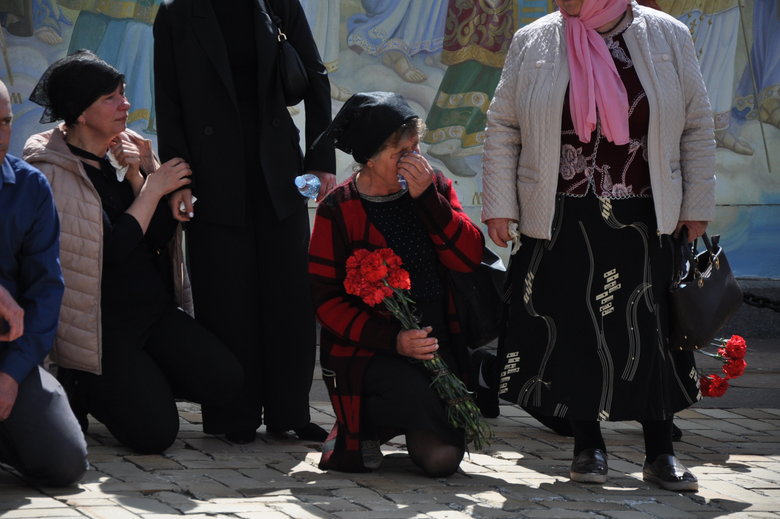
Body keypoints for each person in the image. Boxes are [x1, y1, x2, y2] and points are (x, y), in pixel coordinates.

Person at [482, 0, 715, 491]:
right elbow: (504, 124)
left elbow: (695, 124)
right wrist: (500, 204)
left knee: (648, 329)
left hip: (644, 211)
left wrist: (696, 202)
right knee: (571, 327)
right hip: (560, 209)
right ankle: (587, 447)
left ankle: (660, 452)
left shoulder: (667, 35)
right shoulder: (536, 38)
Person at [23, 51, 244, 454]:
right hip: (99, 328)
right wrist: (155, 188)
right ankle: (83, 385)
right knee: (154, 435)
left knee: (226, 382)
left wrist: (141, 174)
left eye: (122, 94)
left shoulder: (113, 159)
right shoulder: (50, 172)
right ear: (79, 112)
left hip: (149, 312)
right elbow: (110, 249)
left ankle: (141, 380)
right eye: (111, 98)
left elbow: (154, 236)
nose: (125, 104)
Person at [153, 0, 335, 444]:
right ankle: (233, 414)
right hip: (212, 176)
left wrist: (320, 160)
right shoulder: (178, 13)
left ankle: (289, 411)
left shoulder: (279, 4)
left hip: (278, 172)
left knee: (288, 296)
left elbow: (315, 77)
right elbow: (169, 98)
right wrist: (179, 179)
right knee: (226, 297)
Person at [309, 92, 491, 476]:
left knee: (442, 461)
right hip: (372, 348)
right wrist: (393, 341)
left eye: (417, 148)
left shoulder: (432, 186)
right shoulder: (338, 208)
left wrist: (429, 200)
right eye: (401, 152)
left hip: (437, 340)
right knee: (412, 391)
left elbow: (469, 257)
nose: (415, 161)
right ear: (370, 158)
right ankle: (358, 427)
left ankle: (386, 425)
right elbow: (325, 301)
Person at [0, 79, 87, 486]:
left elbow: (45, 291)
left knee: (63, 460)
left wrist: (12, 375)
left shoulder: (29, 187)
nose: (0, 136)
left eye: (5, 122)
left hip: (6, 352)